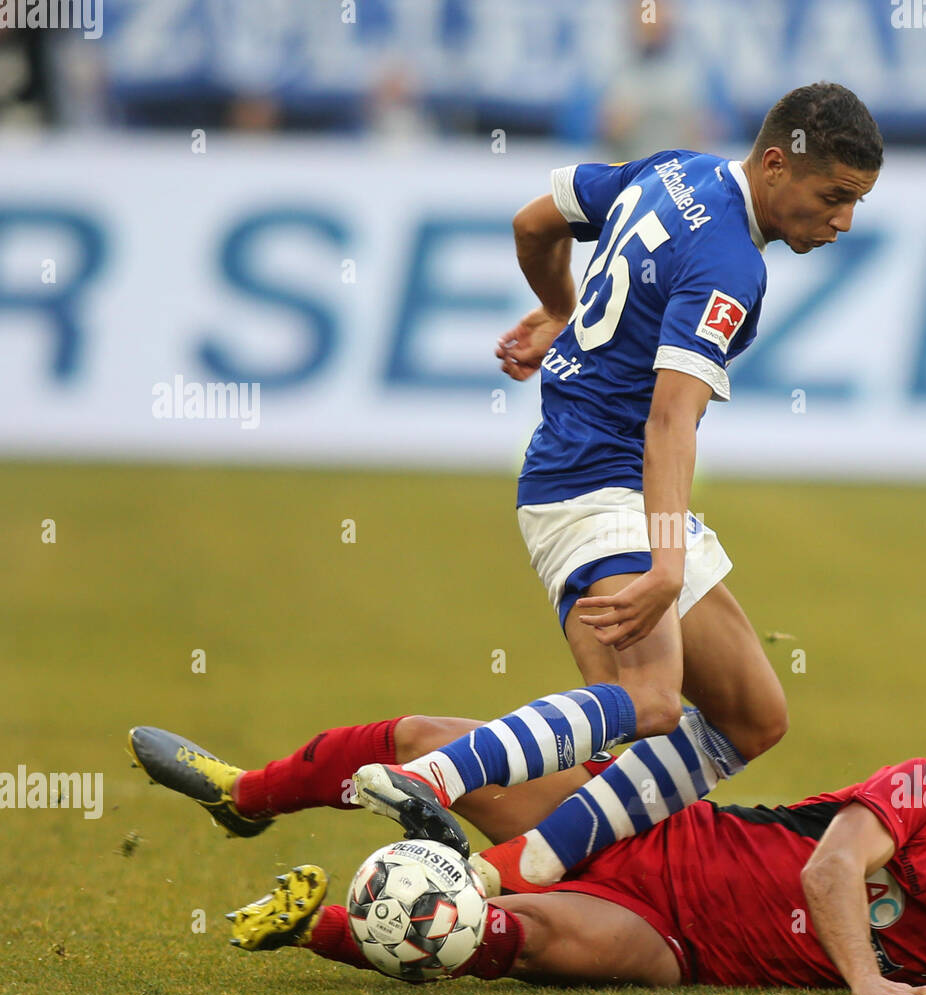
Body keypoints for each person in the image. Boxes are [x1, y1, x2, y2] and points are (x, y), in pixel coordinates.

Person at [129, 83, 884, 899]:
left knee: (750, 715)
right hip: (599, 486)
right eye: (835, 196)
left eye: (855, 204)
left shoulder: (674, 170)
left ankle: (405, 839)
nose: (843, 222)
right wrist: (667, 566)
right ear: (776, 163)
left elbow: (534, 221)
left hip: (601, 477)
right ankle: (433, 801)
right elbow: (671, 421)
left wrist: (562, 307)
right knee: (643, 704)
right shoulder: (733, 263)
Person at [220, 754, 926, 995]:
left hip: (674, 949)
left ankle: (313, 925)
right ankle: (253, 788)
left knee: (512, 936)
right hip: (657, 829)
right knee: (440, 745)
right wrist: (868, 981)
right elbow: (833, 869)